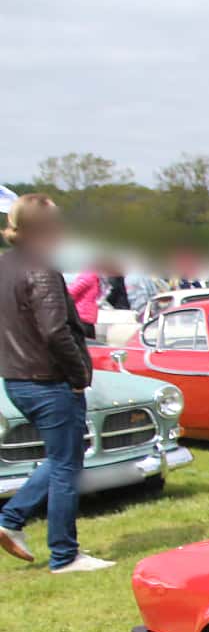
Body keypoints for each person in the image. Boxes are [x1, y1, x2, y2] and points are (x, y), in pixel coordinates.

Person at [0, 195, 111, 573]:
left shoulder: (4, 265)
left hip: (17, 379)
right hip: (49, 380)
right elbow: (54, 330)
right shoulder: (42, 269)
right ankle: (64, 555)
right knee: (66, 466)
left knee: (63, 458)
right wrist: (79, 374)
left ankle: (11, 519)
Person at [67, 266, 102, 339]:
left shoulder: (93, 277)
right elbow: (70, 293)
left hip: (86, 319)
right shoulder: (88, 276)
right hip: (82, 318)